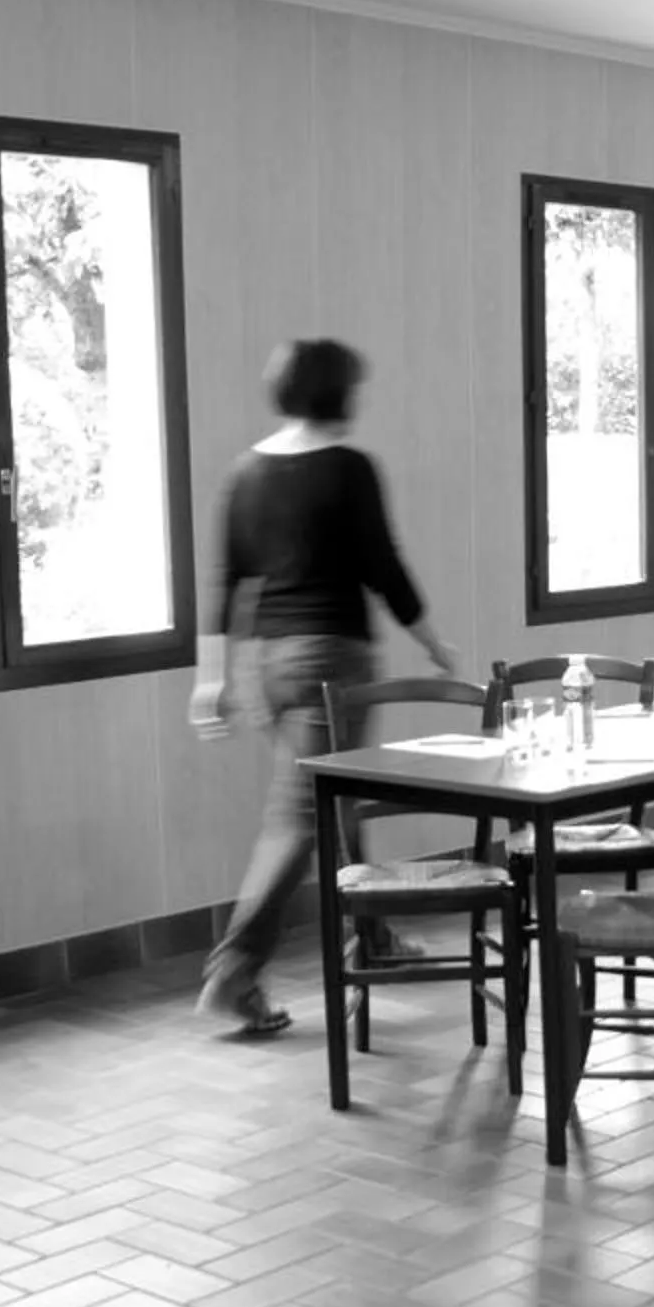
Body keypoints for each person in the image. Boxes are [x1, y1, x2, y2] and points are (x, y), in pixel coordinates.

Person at [189, 339, 456, 1034]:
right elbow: (383, 568)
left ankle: (370, 936)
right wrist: (433, 643)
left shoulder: (245, 472)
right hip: (329, 661)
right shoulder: (348, 469)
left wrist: (209, 680)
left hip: (266, 665)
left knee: (327, 803)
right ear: (339, 395)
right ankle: (235, 970)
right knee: (301, 818)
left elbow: (225, 583)